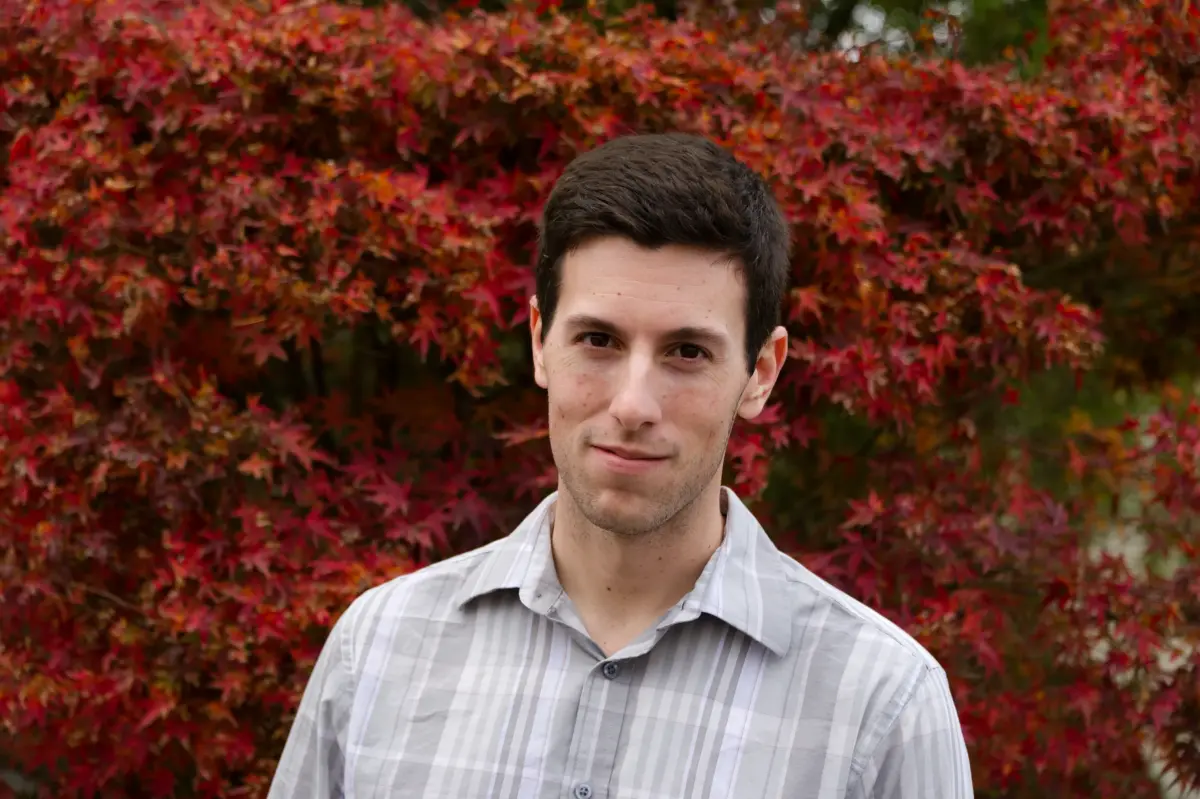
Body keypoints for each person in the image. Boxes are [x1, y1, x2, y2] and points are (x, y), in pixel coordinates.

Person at [267, 133, 974, 799]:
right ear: (540, 341)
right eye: (598, 340)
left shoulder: (883, 703)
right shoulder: (378, 648)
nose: (633, 404)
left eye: (687, 352)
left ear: (761, 371)